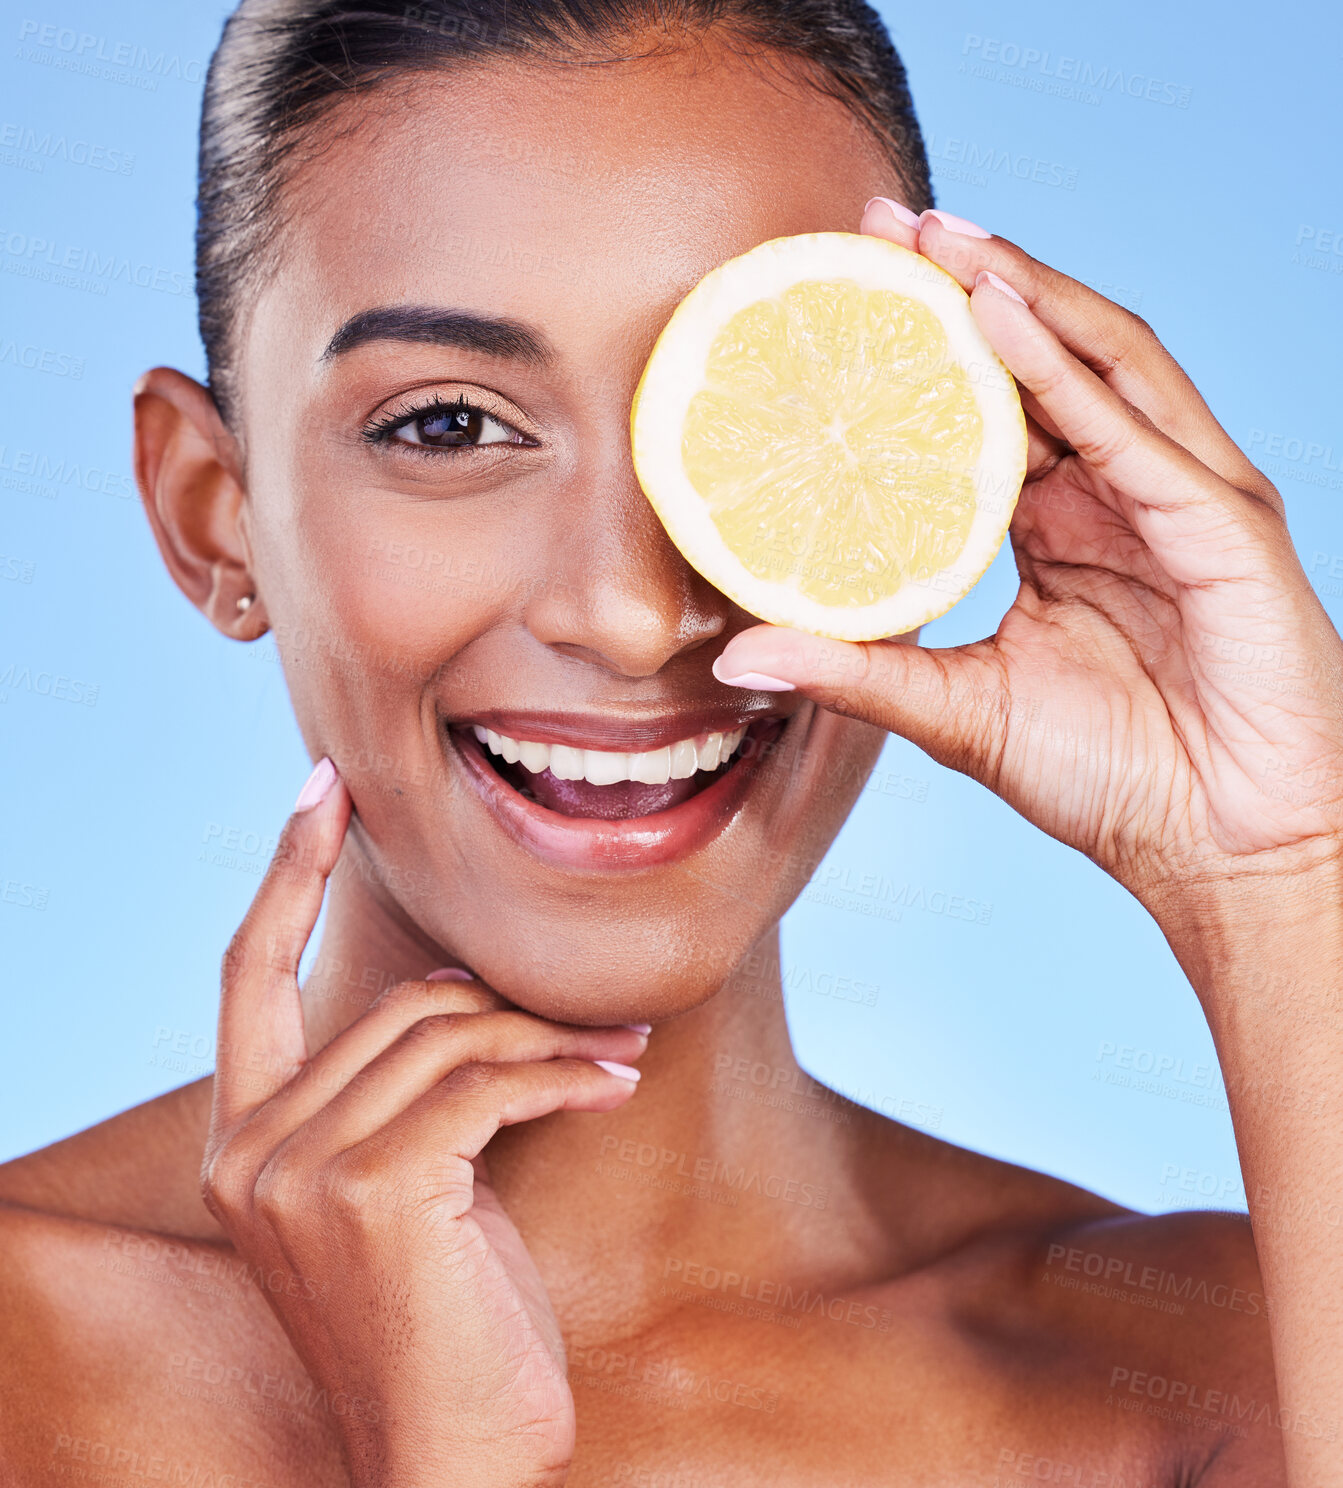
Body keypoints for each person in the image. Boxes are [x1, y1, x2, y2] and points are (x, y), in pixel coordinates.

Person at [3, 2, 1341, 1483]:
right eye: (451, 427)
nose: (634, 616)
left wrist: (1280, 874)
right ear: (211, 514)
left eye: (732, 429)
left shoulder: (1214, 1371)